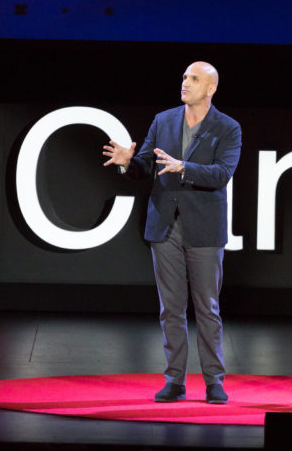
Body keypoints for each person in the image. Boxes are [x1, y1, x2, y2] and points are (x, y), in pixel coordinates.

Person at [103, 61, 241, 404]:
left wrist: (184, 167)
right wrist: (127, 161)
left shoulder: (228, 127)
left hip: (204, 228)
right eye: (183, 77)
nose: (185, 82)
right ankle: (174, 380)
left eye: (194, 79)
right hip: (164, 224)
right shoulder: (164, 120)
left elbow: (222, 173)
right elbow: (146, 166)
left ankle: (214, 382)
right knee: (171, 308)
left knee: (207, 307)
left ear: (211, 88)